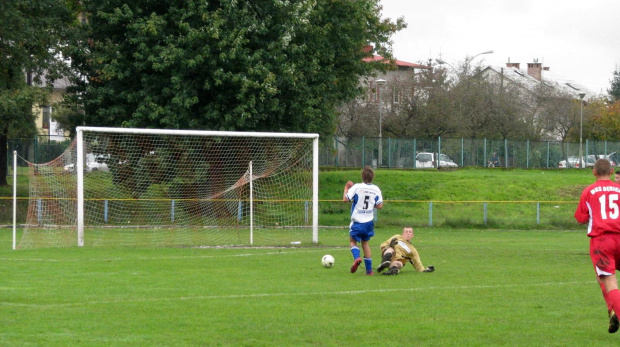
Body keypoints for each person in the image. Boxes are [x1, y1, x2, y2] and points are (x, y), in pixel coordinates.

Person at [575, 158, 620, 333]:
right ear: (611, 172)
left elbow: (580, 219)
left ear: (594, 172)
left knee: (609, 282)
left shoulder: (589, 191)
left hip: (602, 241)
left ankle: (614, 309)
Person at [343, 166, 383, 275]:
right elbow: (379, 206)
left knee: (352, 241)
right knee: (365, 244)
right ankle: (369, 270)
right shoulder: (376, 189)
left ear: (362, 176)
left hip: (357, 221)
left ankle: (357, 258)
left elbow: (345, 199)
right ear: (372, 178)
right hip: (368, 222)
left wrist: (346, 188)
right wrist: (370, 206)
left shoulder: (357, 187)